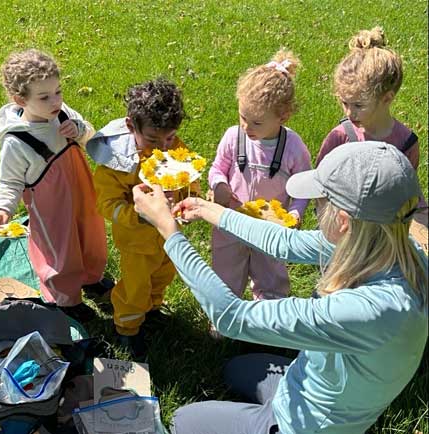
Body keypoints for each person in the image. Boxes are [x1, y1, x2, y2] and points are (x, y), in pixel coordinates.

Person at [132, 141, 428, 434]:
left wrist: (169, 232)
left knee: (182, 419)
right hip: (318, 384)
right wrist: (208, 210)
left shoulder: (372, 311)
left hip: (307, 426)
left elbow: (232, 316)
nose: (315, 208)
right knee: (236, 368)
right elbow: (286, 243)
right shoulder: (389, 244)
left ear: (343, 221)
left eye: (321, 201)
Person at [0, 49, 110, 321]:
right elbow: (10, 182)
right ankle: (66, 299)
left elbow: (91, 135)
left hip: (82, 193)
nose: (55, 101)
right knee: (61, 251)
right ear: (21, 99)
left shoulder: (63, 113)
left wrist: (79, 129)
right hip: (52, 208)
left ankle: (91, 277)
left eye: (58, 91)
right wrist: (4, 209)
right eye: (44, 97)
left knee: (90, 236)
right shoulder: (17, 142)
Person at [87, 77, 198, 358]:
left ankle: (152, 308)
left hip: (167, 235)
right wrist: (136, 214)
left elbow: (186, 174)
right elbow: (106, 204)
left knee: (163, 274)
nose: (161, 146)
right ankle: (127, 327)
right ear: (130, 126)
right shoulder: (117, 163)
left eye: (169, 137)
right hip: (137, 241)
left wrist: (188, 194)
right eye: (152, 139)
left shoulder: (171, 146)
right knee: (135, 286)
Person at [208, 49, 311, 301]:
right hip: (231, 222)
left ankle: (269, 312)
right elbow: (217, 167)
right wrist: (219, 184)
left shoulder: (293, 148)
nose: (246, 127)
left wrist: (296, 211)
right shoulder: (234, 137)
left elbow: (304, 187)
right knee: (225, 270)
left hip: (271, 227)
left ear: (282, 116)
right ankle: (225, 312)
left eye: (256, 122)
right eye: (243, 117)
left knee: (271, 274)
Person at [316, 27, 420, 168]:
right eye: (345, 103)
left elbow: (405, 188)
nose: (349, 113)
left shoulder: (406, 143)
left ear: (386, 98)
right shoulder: (339, 137)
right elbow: (318, 183)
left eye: (359, 105)